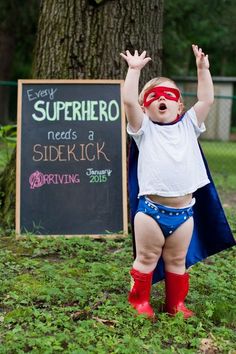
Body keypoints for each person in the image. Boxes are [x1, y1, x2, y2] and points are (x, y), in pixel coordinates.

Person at [120, 45, 215, 319]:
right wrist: (134, 70)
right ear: (145, 106)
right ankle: (139, 302)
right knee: (146, 259)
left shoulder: (189, 125)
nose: (161, 99)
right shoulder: (143, 129)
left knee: (176, 261)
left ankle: (176, 304)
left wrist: (202, 70)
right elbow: (128, 102)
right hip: (151, 213)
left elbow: (207, 99)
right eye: (153, 96)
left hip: (184, 213)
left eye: (168, 95)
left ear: (180, 105)